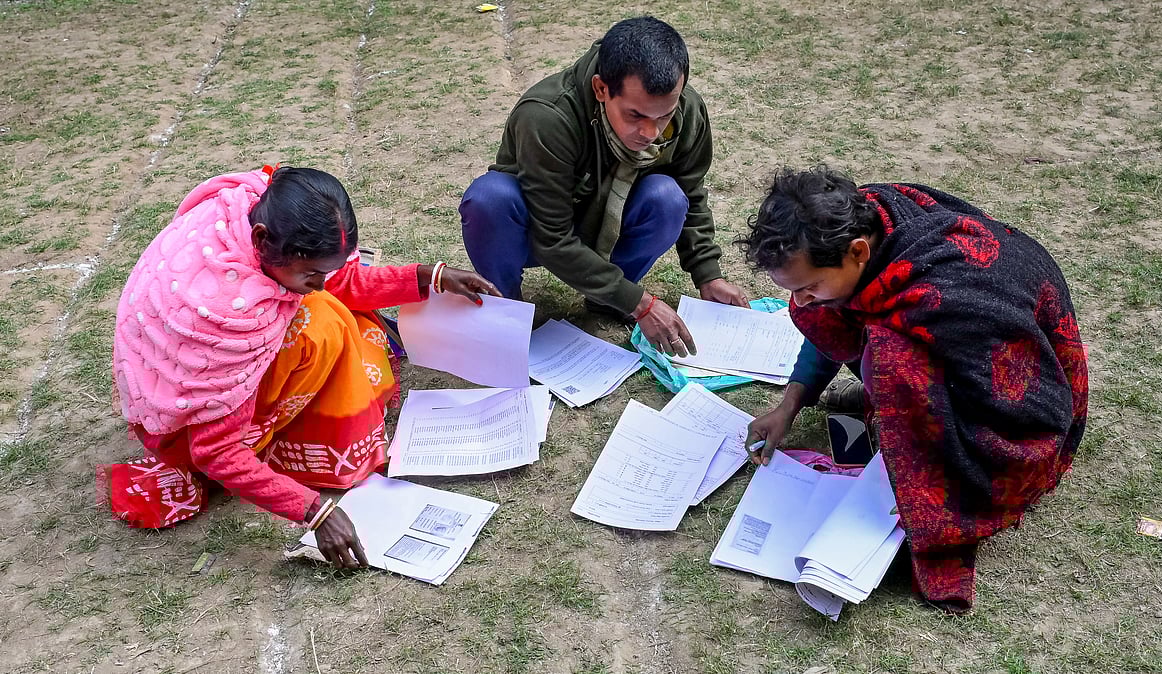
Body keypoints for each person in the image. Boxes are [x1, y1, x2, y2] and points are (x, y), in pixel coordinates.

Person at [103, 166, 499, 569]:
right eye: (312, 273)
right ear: (262, 240)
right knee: (324, 322)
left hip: (197, 384)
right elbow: (214, 452)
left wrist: (430, 277)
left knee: (338, 314)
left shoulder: (252, 215)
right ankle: (291, 440)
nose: (322, 282)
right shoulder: (226, 317)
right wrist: (315, 511)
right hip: (189, 434)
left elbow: (345, 282)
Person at [739, 166, 1088, 612]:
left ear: (858, 253)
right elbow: (829, 322)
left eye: (808, 287)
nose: (800, 301)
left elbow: (1018, 402)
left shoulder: (950, 291)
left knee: (890, 358)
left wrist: (923, 469)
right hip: (955, 354)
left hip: (1020, 411)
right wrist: (789, 404)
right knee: (868, 339)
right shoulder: (865, 220)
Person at [459, 16, 749, 357]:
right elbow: (551, 237)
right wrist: (640, 302)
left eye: (663, 116)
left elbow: (691, 192)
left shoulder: (687, 110)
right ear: (601, 89)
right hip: (536, 232)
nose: (651, 132)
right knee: (489, 199)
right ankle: (507, 309)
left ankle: (608, 299)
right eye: (635, 116)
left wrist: (707, 275)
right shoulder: (547, 116)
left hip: (610, 228)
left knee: (669, 197)